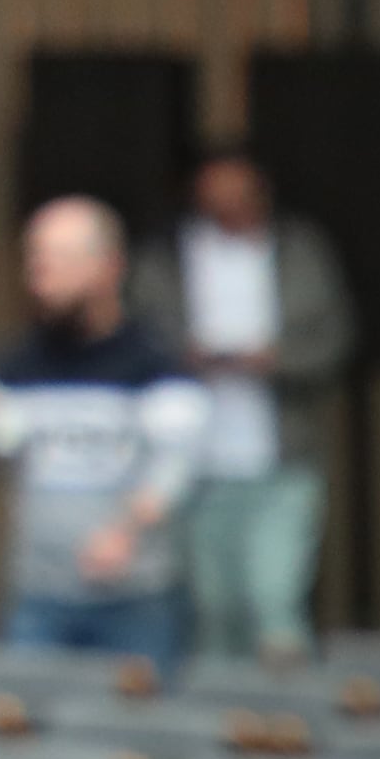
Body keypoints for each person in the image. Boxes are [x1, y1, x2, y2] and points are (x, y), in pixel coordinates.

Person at [0, 195, 206, 665]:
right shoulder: (18, 363)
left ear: (108, 268)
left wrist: (126, 532)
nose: (40, 274)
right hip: (40, 594)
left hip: (135, 600)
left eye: (59, 258)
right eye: (35, 257)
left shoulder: (153, 363)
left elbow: (178, 465)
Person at [131, 145, 354, 662]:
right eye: (214, 195)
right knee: (213, 609)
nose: (226, 205)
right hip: (195, 465)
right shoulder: (166, 258)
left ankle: (290, 721)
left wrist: (274, 359)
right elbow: (141, 336)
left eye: (237, 194)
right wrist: (186, 355)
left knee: (274, 599)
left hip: (281, 458)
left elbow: (333, 338)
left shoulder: (300, 251)